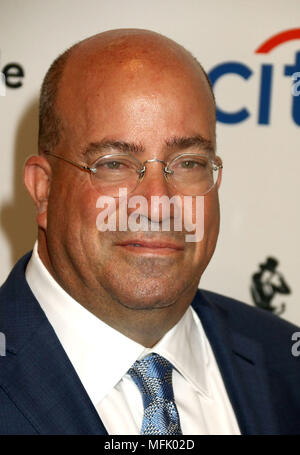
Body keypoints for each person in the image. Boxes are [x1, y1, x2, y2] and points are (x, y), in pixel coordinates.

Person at [0, 29, 299, 435]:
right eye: (114, 163)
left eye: (189, 162)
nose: (158, 204)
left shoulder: (285, 360)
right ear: (43, 189)